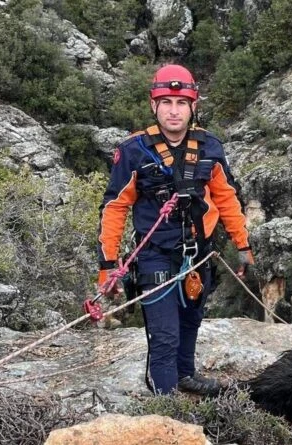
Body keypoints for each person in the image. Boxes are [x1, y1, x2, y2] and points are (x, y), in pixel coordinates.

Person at [96, 64, 253, 396]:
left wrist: (242, 245)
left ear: (193, 106)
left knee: (190, 321)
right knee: (164, 333)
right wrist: (108, 265)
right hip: (155, 256)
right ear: (154, 105)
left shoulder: (210, 147)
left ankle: (185, 375)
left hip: (198, 254)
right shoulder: (134, 151)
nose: (173, 110)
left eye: (181, 102)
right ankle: (165, 400)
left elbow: (227, 198)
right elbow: (115, 207)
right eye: (166, 102)